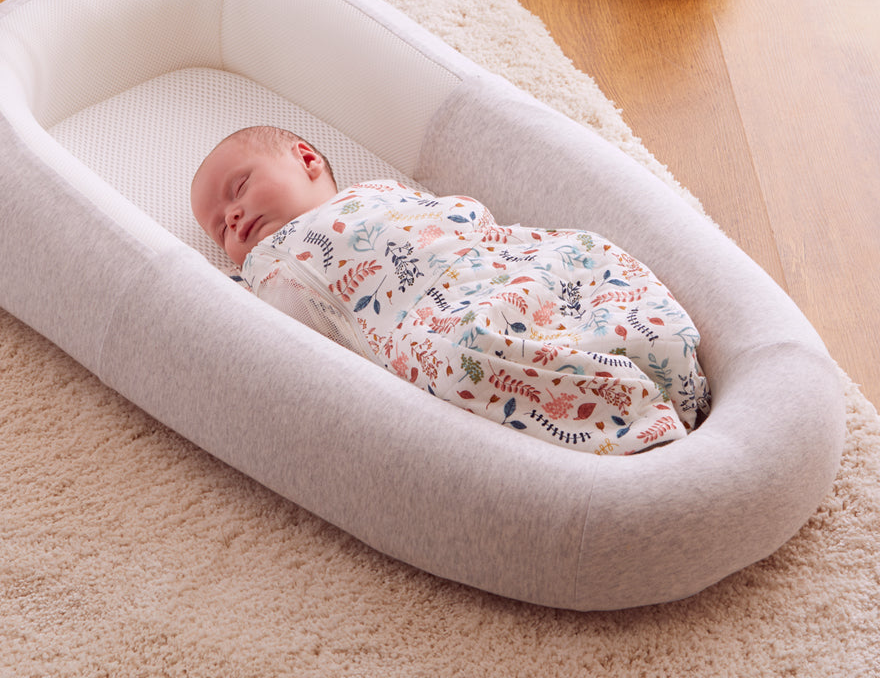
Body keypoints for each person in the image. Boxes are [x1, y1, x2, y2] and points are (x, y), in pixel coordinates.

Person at [192, 126, 711, 455]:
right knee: (468, 357)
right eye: (219, 229)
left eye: (239, 188)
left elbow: (458, 218)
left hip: (488, 267)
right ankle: (637, 420)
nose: (231, 216)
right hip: (422, 328)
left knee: (578, 256)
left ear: (306, 159)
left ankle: (662, 357)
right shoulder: (263, 272)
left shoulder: (379, 192)